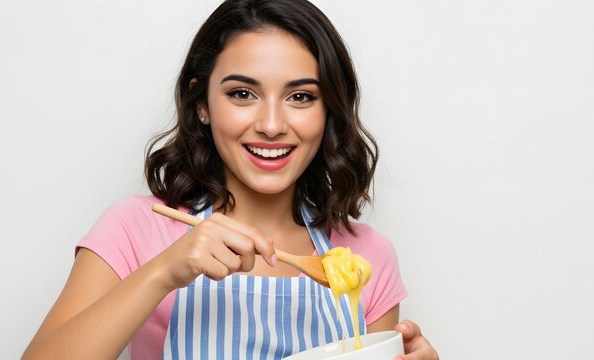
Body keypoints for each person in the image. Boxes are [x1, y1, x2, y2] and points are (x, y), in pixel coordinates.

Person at [23, 0, 439, 359]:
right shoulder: (136, 227)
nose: (272, 125)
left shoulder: (365, 257)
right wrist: (164, 271)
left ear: (329, 109)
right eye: (242, 93)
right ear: (201, 102)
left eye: (301, 96)